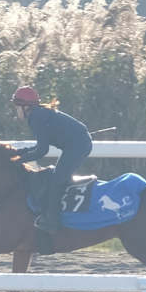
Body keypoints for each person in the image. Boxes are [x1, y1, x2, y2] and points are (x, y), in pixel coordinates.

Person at [11, 85, 93, 234]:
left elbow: (42, 151)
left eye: (17, 107)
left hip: (78, 146)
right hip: (77, 143)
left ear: (25, 107)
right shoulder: (38, 113)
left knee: (56, 180)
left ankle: (53, 222)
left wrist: (18, 160)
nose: (16, 111)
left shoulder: (35, 117)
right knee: (57, 178)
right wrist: (18, 153)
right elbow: (40, 146)